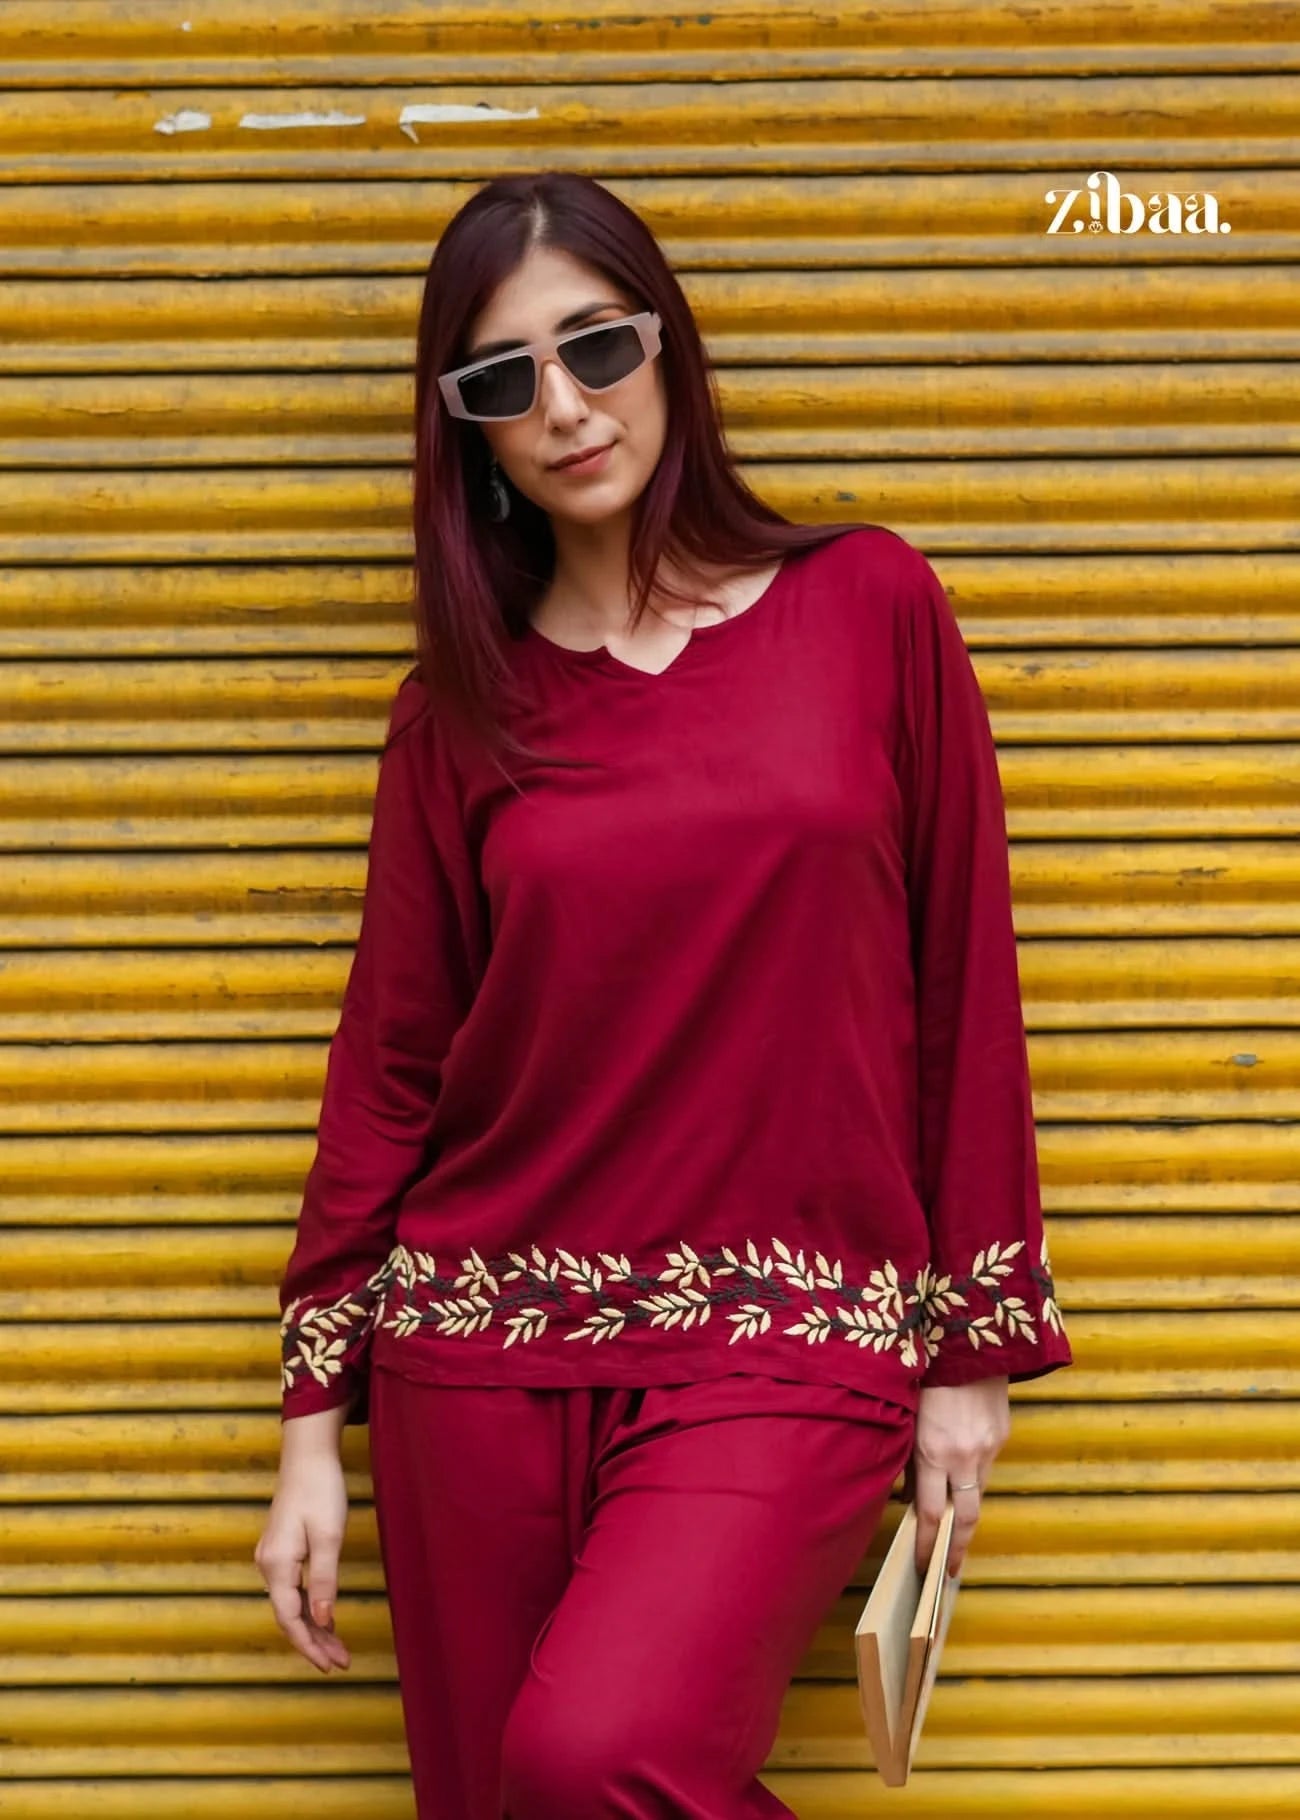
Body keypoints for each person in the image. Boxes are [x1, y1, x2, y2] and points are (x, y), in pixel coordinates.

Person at [254, 169, 1074, 1818]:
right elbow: (395, 1061)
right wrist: (308, 1425)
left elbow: (961, 974)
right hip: (479, 1355)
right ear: (467, 432)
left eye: (596, 348)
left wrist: (967, 1346)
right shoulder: (456, 719)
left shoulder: (869, 608)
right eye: (504, 381)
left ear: (669, 349)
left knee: (589, 1761)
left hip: (789, 1333)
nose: (563, 407)